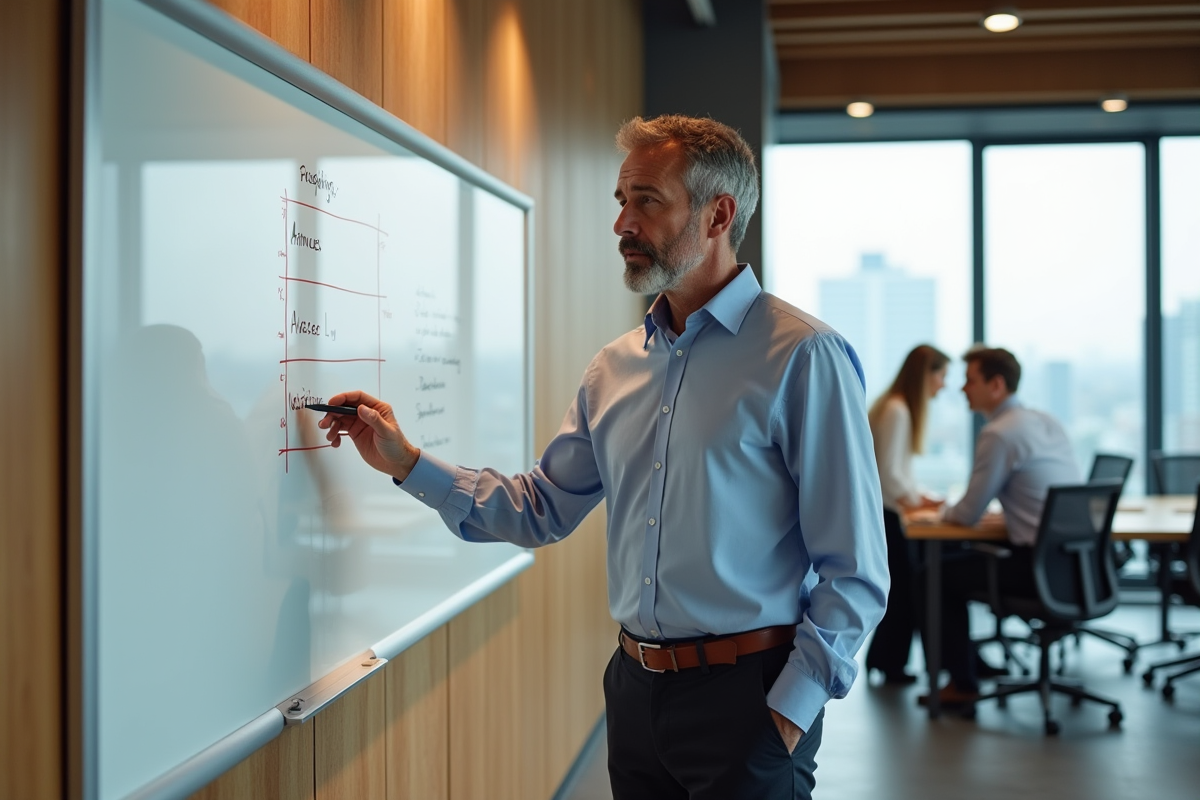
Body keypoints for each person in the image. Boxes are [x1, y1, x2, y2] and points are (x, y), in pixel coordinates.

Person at [316, 114, 888, 800]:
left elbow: (856, 569)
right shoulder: (614, 367)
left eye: (647, 200)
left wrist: (789, 711)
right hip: (635, 693)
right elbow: (541, 508)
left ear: (718, 215)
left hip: (750, 699)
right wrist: (408, 462)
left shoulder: (802, 357)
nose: (623, 224)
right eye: (621, 201)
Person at [919, 346, 1080, 708]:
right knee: (953, 565)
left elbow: (966, 514)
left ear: (996, 385)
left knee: (932, 576)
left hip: (1035, 569)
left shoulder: (999, 433)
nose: (962, 388)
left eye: (970, 380)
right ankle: (972, 665)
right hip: (1072, 565)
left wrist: (941, 509)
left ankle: (962, 682)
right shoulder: (1045, 421)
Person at [864, 344, 949, 685]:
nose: (943, 384)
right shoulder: (897, 410)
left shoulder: (893, 406)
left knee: (901, 590)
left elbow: (895, 471)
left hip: (888, 510)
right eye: (941, 375)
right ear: (926, 374)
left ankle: (886, 661)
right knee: (902, 592)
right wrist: (916, 500)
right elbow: (888, 473)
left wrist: (919, 496)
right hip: (889, 515)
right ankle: (888, 663)